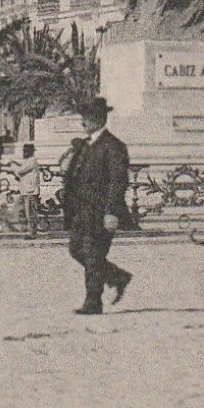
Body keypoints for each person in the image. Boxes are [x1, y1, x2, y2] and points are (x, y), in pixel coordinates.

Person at [61, 97, 133, 315]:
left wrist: (111, 212)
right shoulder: (83, 144)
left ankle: (93, 302)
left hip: (101, 211)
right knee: (76, 249)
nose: (83, 123)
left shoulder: (114, 146)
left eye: (87, 118)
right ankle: (116, 276)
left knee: (93, 255)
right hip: (81, 210)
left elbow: (118, 182)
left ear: (98, 120)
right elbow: (71, 171)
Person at [14, 143, 41, 238]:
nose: (23, 153)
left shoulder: (32, 161)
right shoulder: (28, 161)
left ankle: (32, 233)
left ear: (30, 152)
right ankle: (30, 231)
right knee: (27, 212)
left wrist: (15, 168)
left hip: (30, 191)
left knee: (31, 213)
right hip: (26, 190)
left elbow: (20, 171)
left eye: (25, 151)